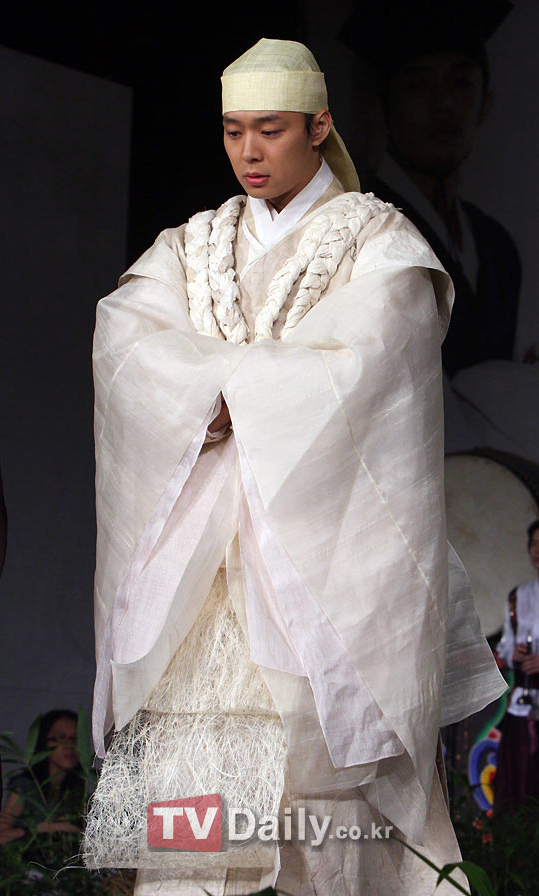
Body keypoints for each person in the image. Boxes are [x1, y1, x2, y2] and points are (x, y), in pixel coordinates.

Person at [84, 38, 505, 895]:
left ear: (319, 126)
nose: (248, 151)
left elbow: (371, 359)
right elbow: (126, 342)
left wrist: (222, 388)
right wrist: (218, 393)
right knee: (188, 818)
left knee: (324, 812)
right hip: (200, 593)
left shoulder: (377, 241)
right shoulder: (192, 243)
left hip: (322, 576)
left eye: (270, 129)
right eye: (233, 130)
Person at [340, 0, 522, 378]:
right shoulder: (356, 232)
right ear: (380, 108)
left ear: (486, 103)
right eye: (418, 85)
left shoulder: (497, 247)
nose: (443, 105)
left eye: (461, 83)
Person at [494, 520, 539, 813]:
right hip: (524, 701)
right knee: (518, 784)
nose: (537, 550)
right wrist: (516, 655)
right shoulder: (518, 596)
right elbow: (505, 647)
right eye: (534, 543)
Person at [0, 710, 83, 847]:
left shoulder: (78, 791)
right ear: (44, 743)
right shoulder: (26, 787)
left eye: (75, 738)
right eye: (61, 737)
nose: (69, 745)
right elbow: (1, 835)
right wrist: (47, 827)